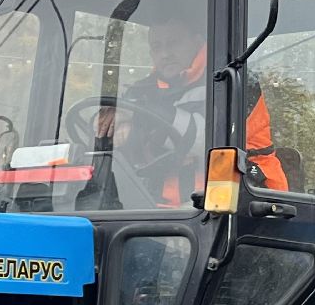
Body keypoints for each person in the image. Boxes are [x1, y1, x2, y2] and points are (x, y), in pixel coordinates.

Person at [98, 14, 288, 206]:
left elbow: (207, 139)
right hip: (158, 209)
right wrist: (118, 129)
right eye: (157, 47)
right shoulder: (141, 91)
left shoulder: (235, 82)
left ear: (197, 42)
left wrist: (137, 117)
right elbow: (104, 134)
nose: (165, 53)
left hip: (248, 201)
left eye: (173, 43)